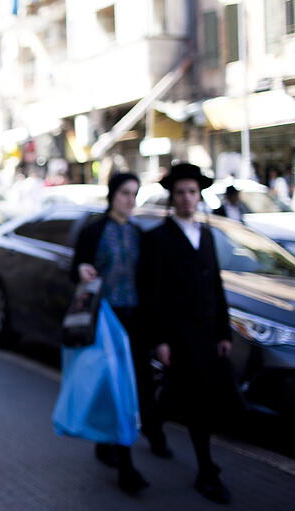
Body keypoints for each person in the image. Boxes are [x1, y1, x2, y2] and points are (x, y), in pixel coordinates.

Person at [138, 162, 235, 504]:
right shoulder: (158, 239)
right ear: (172, 197)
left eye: (192, 192)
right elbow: (155, 293)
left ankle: (153, 422)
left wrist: (224, 332)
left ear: (199, 195)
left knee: (184, 392)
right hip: (179, 334)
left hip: (208, 332)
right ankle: (206, 471)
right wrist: (160, 339)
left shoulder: (206, 234)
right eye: (180, 192)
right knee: (197, 401)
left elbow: (216, 285)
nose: (187, 198)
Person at [70, 172, 155, 496]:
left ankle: (109, 445)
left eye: (135, 194)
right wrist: (80, 270)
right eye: (124, 193)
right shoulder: (94, 230)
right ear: (112, 195)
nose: (130, 200)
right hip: (103, 320)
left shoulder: (138, 234)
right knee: (115, 388)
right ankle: (126, 464)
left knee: (129, 388)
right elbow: (76, 267)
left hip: (134, 320)